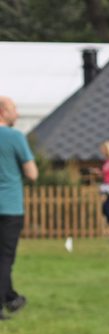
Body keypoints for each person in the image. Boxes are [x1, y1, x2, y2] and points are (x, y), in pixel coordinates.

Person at [0, 96, 36, 321]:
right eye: (14, 109)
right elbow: (32, 173)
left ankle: (11, 297)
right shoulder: (14, 137)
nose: (18, 114)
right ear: (3, 111)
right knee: (5, 257)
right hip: (9, 206)